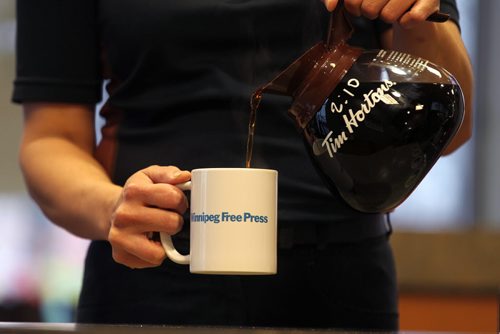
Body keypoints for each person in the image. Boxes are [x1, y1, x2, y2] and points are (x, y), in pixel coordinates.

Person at [13, 0, 472, 330]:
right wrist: (115, 208)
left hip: (339, 279)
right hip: (147, 277)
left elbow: (457, 127)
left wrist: (420, 16)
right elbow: (51, 140)